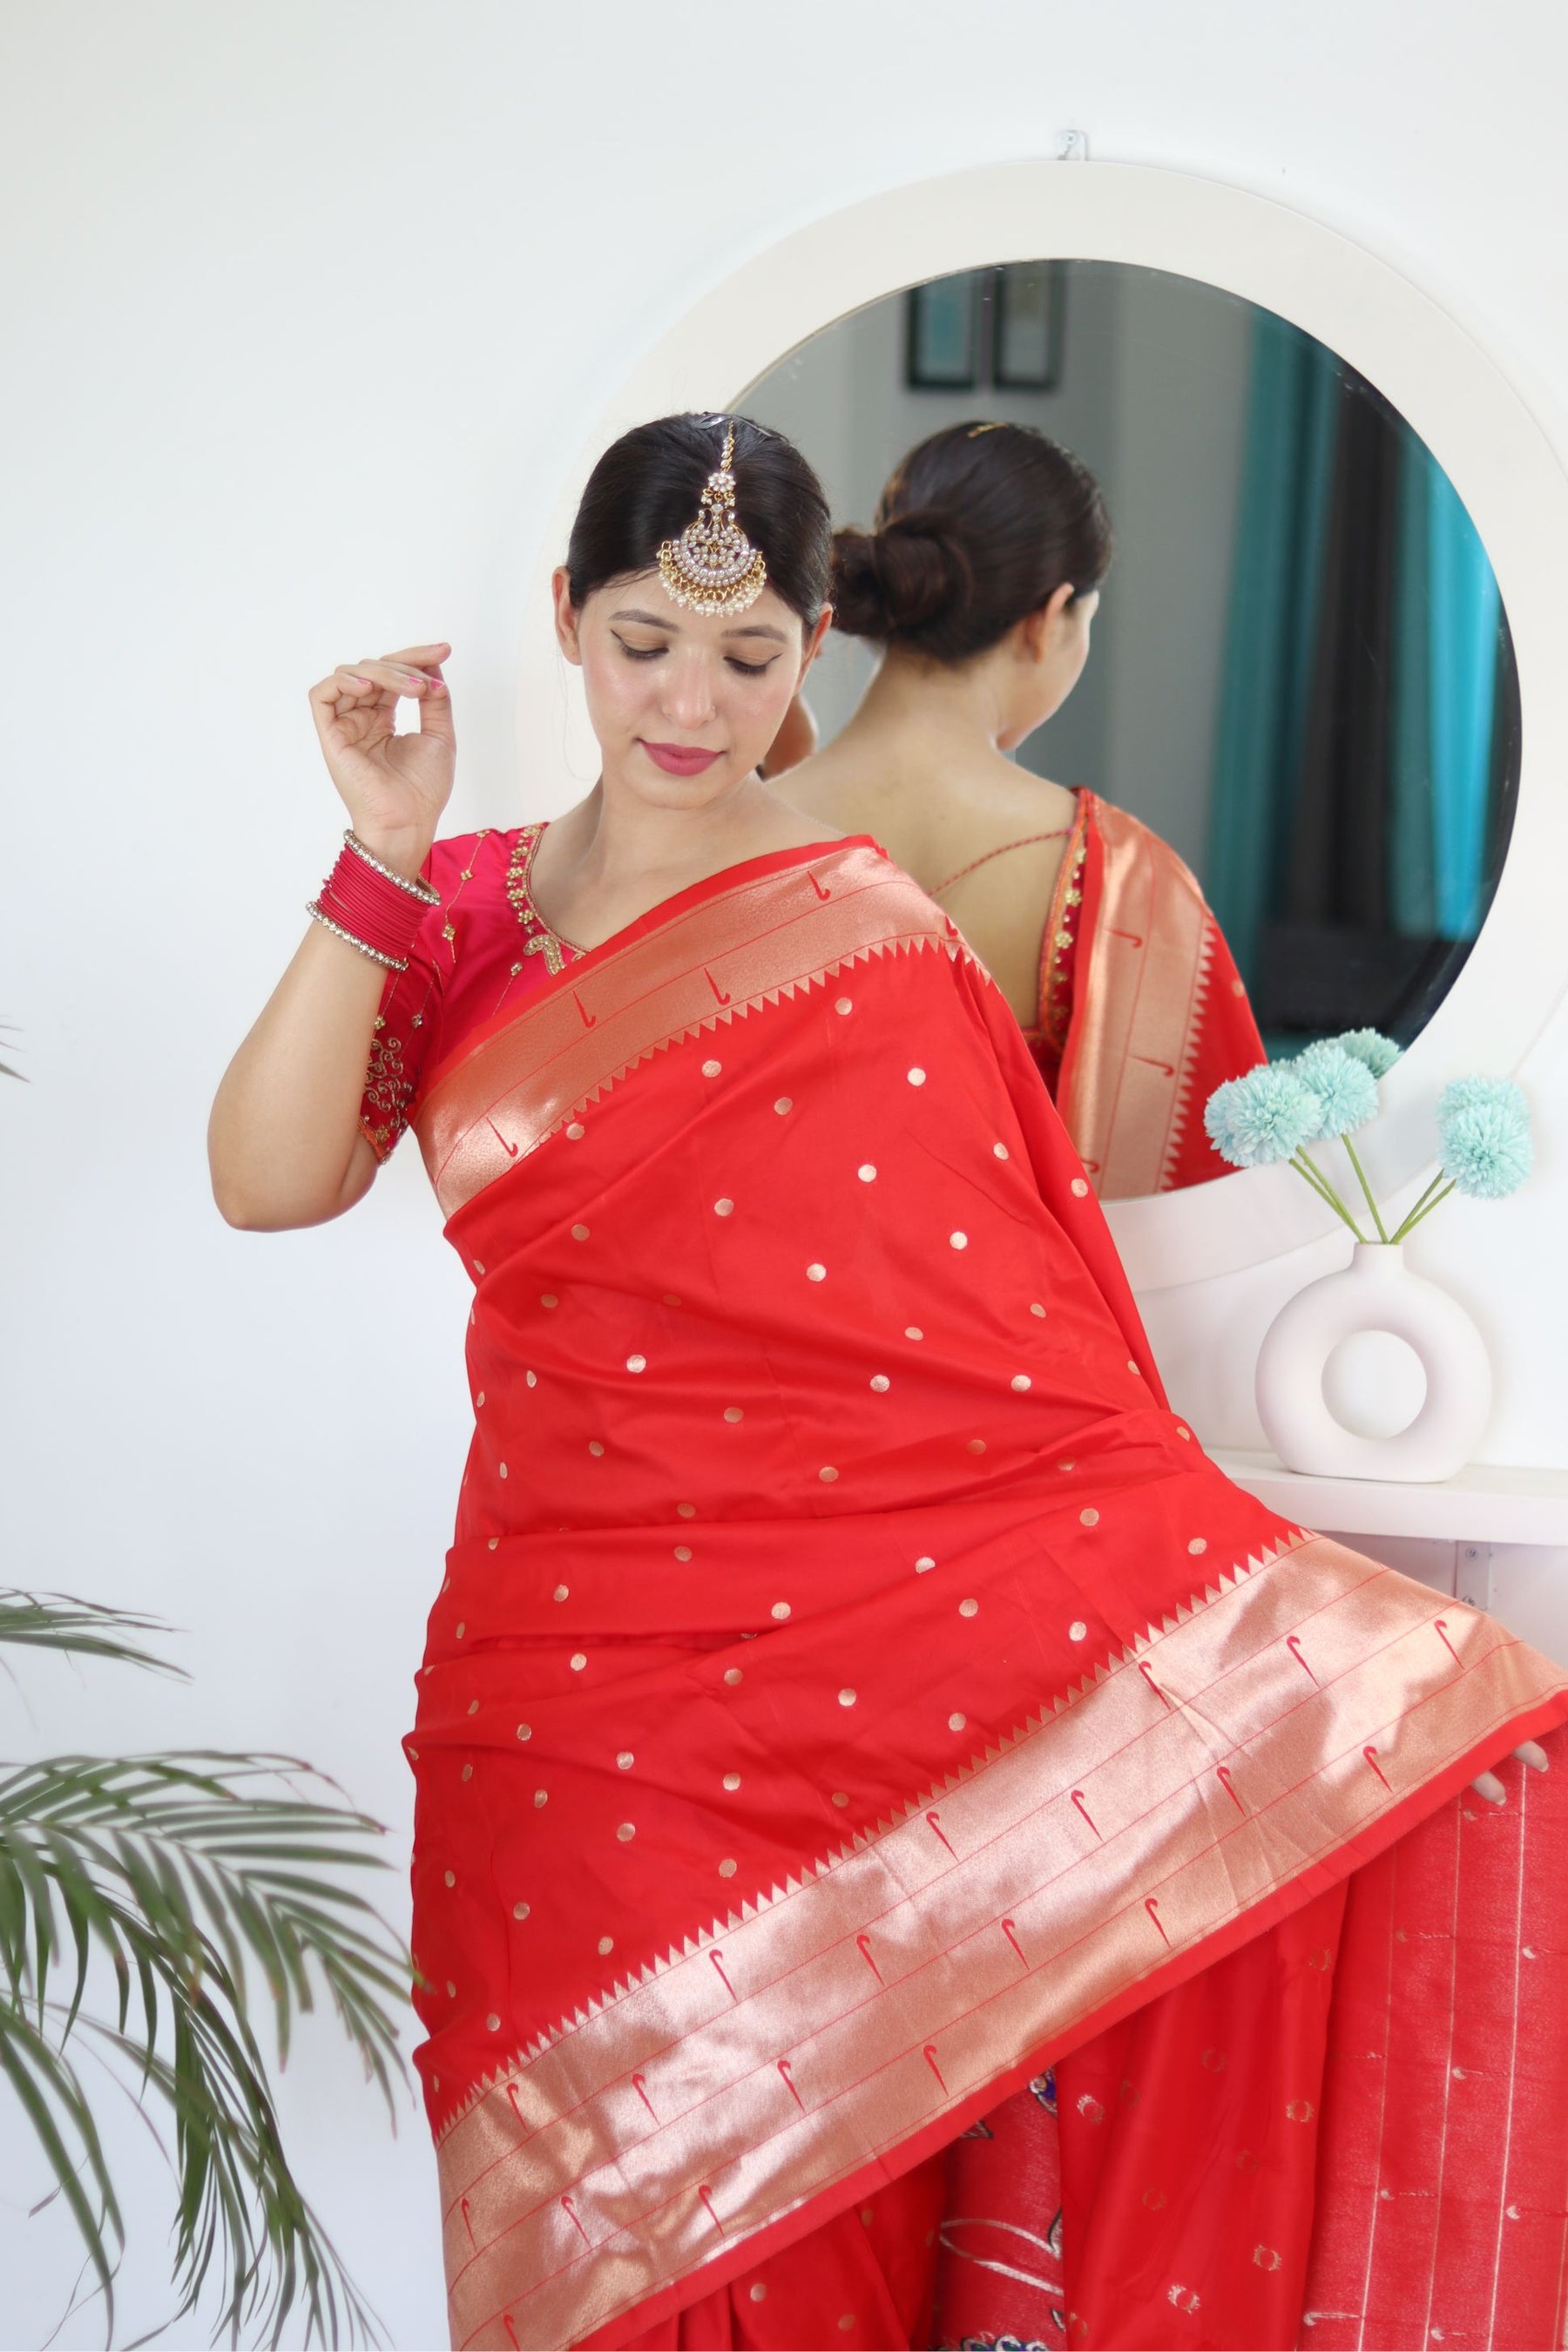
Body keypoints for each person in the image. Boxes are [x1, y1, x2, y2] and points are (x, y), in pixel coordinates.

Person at [209, 414, 1567, 2352]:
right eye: (640, 643)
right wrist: (377, 849)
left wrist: (1356, 1679)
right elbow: (267, 1180)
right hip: (559, 1723)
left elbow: (1014, 1386)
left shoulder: (873, 937)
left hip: (848, 1713)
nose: (689, 702)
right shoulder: (461, 910)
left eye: (750, 657)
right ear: (565, 626)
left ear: (811, 654)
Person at [781, 422, 1266, 1200]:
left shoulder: (734, 834)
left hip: (758, 1313)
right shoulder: (1122, 876)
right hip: (1015, 1318)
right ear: (1053, 617)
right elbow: (1220, 1189)